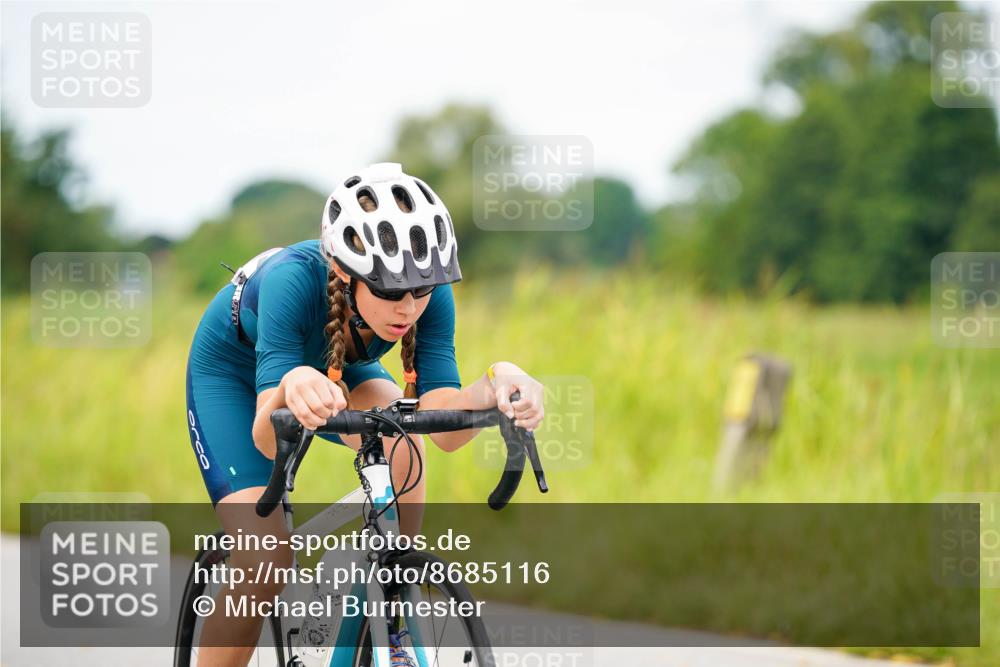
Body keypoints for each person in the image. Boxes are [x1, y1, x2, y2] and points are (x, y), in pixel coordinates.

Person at [184, 162, 546, 667]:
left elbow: (443, 425)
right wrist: (290, 383)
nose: (408, 309)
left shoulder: (427, 295)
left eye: (420, 290)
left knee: (404, 437)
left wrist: (496, 383)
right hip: (234, 374)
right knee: (266, 558)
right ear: (345, 273)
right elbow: (268, 440)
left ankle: (394, 601)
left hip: (333, 363)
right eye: (390, 292)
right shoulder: (293, 279)